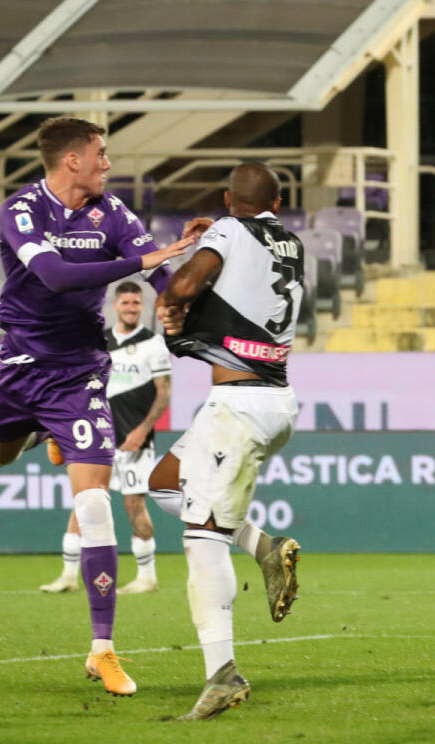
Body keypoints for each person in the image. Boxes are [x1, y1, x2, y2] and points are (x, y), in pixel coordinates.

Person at [0, 116, 191, 696]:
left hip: (79, 373)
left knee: (96, 502)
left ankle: (103, 649)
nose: (108, 162)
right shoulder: (22, 209)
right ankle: (36, 433)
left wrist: (177, 295)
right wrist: (143, 266)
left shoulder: (114, 213)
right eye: (101, 153)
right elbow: (55, 276)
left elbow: (160, 267)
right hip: (19, 365)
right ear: (72, 160)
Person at [149, 162, 304, 720]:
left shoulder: (230, 229)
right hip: (272, 398)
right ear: (277, 203)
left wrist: (173, 304)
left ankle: (222, 675)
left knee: (202, 538)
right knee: (164, 485)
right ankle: (264, 547)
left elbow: (185, 285)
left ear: (225, 198)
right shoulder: (291, 244)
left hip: (240, 407)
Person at [39, 282, 172, 595]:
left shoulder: (153, 343)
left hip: (134, 439)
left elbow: (164, 392)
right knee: (84, 501)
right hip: (99, 436)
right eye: (126, 302)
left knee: (133, 505)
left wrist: (143, 430)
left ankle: (147, 577)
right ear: (115, 305)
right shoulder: (100, 342)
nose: (131, 308)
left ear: (142, 306)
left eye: (136, 303)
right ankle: (68, 575)